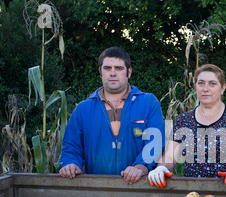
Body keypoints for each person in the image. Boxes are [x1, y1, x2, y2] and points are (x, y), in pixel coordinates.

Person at [59, 47, 165, 184]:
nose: (113, 73)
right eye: (108, 68)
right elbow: (71, 146)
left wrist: (141, 166)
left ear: (129, 72)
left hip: (139, 186)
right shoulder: (83, 109)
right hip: (97, 189)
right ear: (100, 72)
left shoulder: (148, 103)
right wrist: (71, 163)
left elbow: (155, 142)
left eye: (119, 68)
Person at [148, 64, 226, 188]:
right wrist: (161, 168)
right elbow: (169, 156)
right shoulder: (184, 120)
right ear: (196, 87)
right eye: (201, 83)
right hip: (192, 192)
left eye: (212, 83)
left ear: (223, 88)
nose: (205, 89)